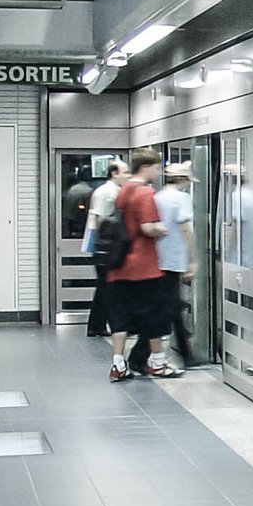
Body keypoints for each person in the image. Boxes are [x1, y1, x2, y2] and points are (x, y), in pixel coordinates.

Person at [106, 149, 181, 382]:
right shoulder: (146, 192)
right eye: (157, 168)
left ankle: (118, 364)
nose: (158, 172)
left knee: (120, 318)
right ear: (145, 167)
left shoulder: (124, 190)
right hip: (143, 267)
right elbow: (147, 228)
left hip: (119, 265)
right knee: (154, 316)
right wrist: (161, 229)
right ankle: (157, 362)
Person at [155, 161, 197, 366]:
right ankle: (139, 354)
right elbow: (185, 229)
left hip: (159, 259)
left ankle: (186, 353)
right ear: (182, 180)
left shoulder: (158, 196)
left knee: (171, 306)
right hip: (174, 259)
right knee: (169, 307)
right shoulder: (182, 198)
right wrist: (192, 260)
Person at [82, 160, 127, 338]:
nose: (128, 176)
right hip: (104, 246)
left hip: (105, 245)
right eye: (125, 172)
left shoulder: (114, 191)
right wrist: (109, 245)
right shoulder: (106, 192)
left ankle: (96, 325)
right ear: (114, 173)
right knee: (107, 288)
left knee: (103, 287)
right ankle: (109, 325)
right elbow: (101, 220)